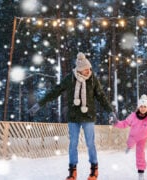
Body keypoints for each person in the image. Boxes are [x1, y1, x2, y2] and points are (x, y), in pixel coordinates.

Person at [28, 52, 116, 180]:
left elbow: (101, 97)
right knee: (73, 143)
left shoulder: (92, 79)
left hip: (88, 116)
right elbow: (55, 91)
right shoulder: (70, 79)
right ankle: (72, 172)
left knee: (90, 143)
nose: (88, 71)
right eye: (86, 69)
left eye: (89, 68)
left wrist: (110, 111)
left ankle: (94, 170)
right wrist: (39, 104)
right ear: (79, 70)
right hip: (73, 117)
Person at [110, 94, 147, 180]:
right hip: (133, 136)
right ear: (138, 107)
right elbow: (124, 124)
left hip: (142, 138)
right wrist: (115, 122)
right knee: (130, 143)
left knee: (140, 154)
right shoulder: (133, 116)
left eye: (145, 106)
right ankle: (129, 147)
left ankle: (141, 172)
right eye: (141, 106)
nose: (143, 108)